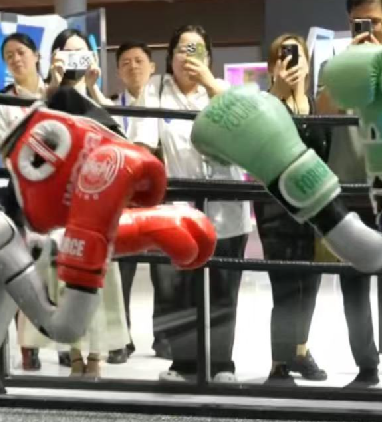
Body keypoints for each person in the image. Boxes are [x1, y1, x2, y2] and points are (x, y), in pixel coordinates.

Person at [129, 24, 250, 383]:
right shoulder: (155, 91)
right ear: (170, 56)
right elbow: (142, 147)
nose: (188, 57)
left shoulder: (224, 91)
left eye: (197, 50)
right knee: (178, 291)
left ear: (209, 58)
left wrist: (211, 85)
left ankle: (222, 364)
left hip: (226, 210)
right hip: (177, 211)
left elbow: (246, 133)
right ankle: (184, 364)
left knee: (223, 290)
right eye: (182, 49)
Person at [316, 0, 382, 388]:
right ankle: (366, 366)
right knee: (353, 284)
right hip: (349, 186)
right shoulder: (334, 66)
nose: (367, 28)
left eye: (374, 21)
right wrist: (348, 67)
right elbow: (322, 111)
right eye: (358, 22)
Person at [43, 28, 132, 377]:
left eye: (82, 52)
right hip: (63, 201)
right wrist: (54, 82)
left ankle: (96, 355)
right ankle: (74, 354)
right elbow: (41, 132)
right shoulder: (50, 94)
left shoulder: (96, 96)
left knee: (101, 278)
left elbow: (120, 137)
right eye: (68, 53)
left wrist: (94, 88)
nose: (75, 59)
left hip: (99, 199)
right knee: (66, 278)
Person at [257, 34, 328, 384]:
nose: (292, 64)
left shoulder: (316, 105)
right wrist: (277, 94)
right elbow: (259, 140)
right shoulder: (264, 104)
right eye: (283, 57)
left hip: (313, 206)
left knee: (310, 284)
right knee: (285, 286)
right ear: (273, 66)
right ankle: (279, 361)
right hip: (275, 207)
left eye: (298, 57)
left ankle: (300, 350)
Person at [109, 40, 174, 364]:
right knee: (121, 273)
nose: (132, 67)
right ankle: (121, 340)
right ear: (118, 72)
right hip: (123, 201)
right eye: (125, 62)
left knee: (165, 273)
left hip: (161, 197)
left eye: (138, 61)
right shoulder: (110, 108)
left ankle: (164, 337)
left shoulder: (165, 105)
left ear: (153, 67)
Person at [0, 32, 50, 372]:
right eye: (9, 56)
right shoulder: (2, 100)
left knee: (57, 268)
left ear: (36, 56)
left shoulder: (55, 91)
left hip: (59, 193)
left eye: (21, 52)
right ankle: (29, 347)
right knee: (23, 270)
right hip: (20, 192)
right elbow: (7, 148)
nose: (16, 60)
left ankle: (64, 342)